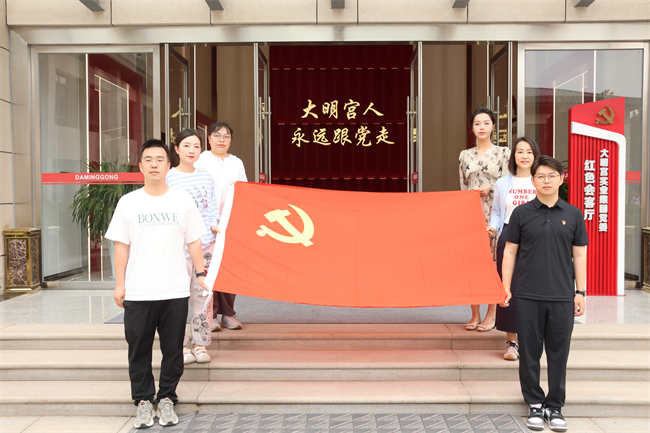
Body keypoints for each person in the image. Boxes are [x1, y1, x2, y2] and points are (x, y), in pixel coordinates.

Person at [106, 139, 208, 429]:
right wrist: (120, 284)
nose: (154, 164)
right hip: (138, 291)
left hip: (174, 289)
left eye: (160, 159)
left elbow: (194, 241)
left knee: (173, 350)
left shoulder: (182, 201)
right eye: (148, 160)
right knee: (138, 349)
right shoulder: (128, 202)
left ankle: (166, 398)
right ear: (140, 166)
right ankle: (142, 401)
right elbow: (121, 246)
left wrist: (201, 273)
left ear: (168, 165)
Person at [501, 155, 587, 432]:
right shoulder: (521, 213)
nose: (546, 181)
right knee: (529, 352)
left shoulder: (573, 214)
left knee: (559, 353)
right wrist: (505, 287)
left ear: (561, 179)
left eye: (552, 176)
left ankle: (555, 406)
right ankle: (535, 403)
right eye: (541, 176)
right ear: (533, 180)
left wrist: (580, 291)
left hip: (562, 296)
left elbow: (579, 255)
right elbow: (510, 252)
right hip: (527, 295)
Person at [166, 129, 220, 365]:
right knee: (177, 299)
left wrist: (214, 225)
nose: (192, 150)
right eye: (186, 145)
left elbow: (212, 206)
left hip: (205, 245)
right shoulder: (169, 177)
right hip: (178, 248)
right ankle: (179, 345)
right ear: (177, 149)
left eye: (196, 146)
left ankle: (200, 344)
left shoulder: (206, 177)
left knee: (202, 298)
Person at [488, 137, 540, 360]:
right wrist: (493, 227)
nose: (524, 156)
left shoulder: (540, 180)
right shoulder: (503, 183)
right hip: (509, 235)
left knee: (536, 286)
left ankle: (532, 338)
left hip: (538, 237)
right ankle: (512, 342)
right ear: (513, 156)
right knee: (509, 288)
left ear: (535, 156)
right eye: (520, 151)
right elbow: (497, 212)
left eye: (529, 152)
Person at [459, 106, 510, 332]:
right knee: (473, 262)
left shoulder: (504, 153)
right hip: (471, 213)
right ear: (472, 128)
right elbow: (462, 186)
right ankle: (474, 313)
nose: (482, 127)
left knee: (492, 261)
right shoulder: (465, 155)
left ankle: (492, 312)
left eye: (486, 123)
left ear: (493, 127)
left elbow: (508, 183)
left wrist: (490, 187)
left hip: (494, 213)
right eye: (477, 123)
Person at [195, 121, 247, 331]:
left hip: (229, 223)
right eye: (217, 135)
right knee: (208, 269)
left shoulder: (236, 162)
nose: (222, 140)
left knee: (229, 269)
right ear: (209, 138)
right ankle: (211, 314)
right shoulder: (201, 160)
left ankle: (229, 314)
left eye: (226, 136)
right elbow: (197, 191)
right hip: (207, 224)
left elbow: (243, 190)